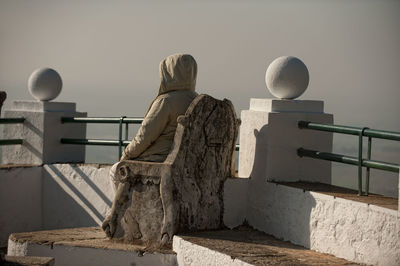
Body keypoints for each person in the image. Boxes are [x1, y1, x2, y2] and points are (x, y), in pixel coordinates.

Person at [102, 53, 198, 237]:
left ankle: (126, 224)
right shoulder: (197, 101)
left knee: (116, 170)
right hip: (185, 165)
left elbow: (144, 137)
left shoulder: (166, 101)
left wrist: (126, 155)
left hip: (158, 161)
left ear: (169, 73)